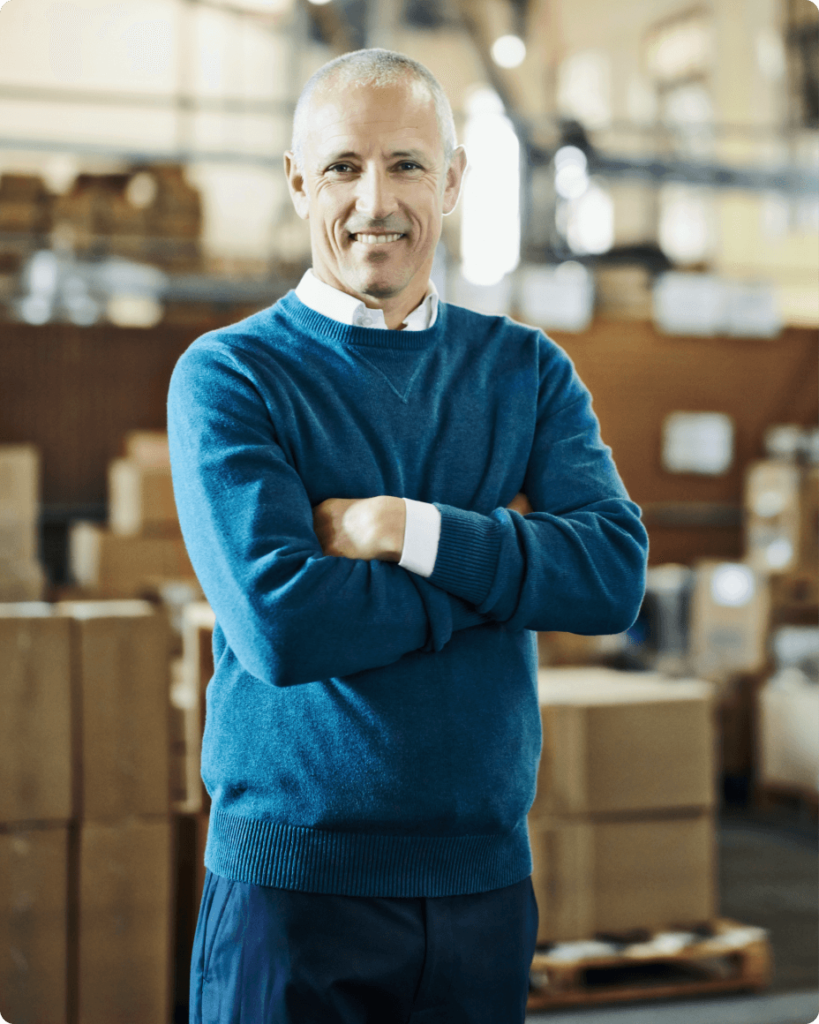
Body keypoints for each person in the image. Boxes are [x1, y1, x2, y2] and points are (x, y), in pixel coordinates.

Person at [168, 47, 648, 1024]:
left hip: (484, 892)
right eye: (344, 166)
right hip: (294, 894)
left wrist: (409, 530)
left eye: (407, 164)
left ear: (456, 179)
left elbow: (608, 578)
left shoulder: (525, 371)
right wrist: (501, 580)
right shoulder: (232, 377)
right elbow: (285, 627)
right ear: (300, 182)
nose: (375, 200)